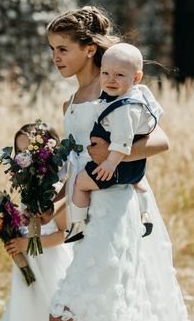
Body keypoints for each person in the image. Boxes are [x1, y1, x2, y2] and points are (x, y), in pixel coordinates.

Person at [36, 6, 194, 321]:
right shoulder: (70, 103)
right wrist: (52, 205)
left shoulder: (121, 89)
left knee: (64, 314)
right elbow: (77, 167)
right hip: (87, 215)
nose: (55, 58)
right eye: (52, 49)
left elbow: (161, 141)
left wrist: (114, 154)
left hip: (115, 211)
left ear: (89, 49)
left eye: (62, 49)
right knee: (123, 311)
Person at [0, 123, 111, 321]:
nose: (22, 158)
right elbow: (31, 225)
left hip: (52, 264)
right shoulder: (27, 188)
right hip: (29, 267)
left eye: (27, 151)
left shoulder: (58, 187)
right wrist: (10, 226)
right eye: (19, 152)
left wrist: (27, 244)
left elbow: (63, 234)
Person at [65, 43, 161, 243]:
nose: (110, 80)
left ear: (136, 78)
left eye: (119, 75)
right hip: (135, 168)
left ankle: (78, 223)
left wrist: (109, 162)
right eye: (106, 73)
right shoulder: (138, 96)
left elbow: (122, 140)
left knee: (80, 184)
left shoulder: (123, 108)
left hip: (111, 166)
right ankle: (144, 213)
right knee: (139, 183)